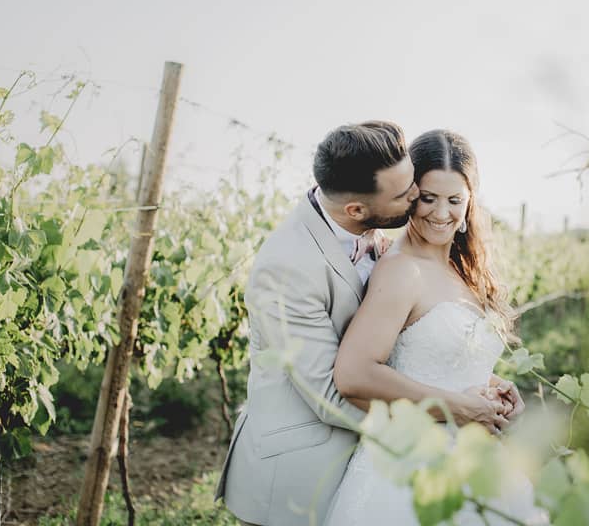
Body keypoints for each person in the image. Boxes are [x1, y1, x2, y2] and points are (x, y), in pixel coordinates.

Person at [216, 122, 518, 526]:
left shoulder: (376, 236)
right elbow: (332, 390)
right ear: (358, 209)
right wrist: (453, 412)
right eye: (412, 194)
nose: (417, 200)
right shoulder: (287, 266)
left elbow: (409, 342)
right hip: (301, 468)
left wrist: (482, 385)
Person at [325, 129, 547, 526]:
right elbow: (354, 374)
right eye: (428, 198)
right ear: (410, 195)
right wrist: (457, 406)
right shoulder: (401, 271)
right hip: (413, 469)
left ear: (470, 203)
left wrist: (493, 389)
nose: (441, 213)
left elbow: (434, 357)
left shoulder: (460, 272)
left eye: (454, 200)